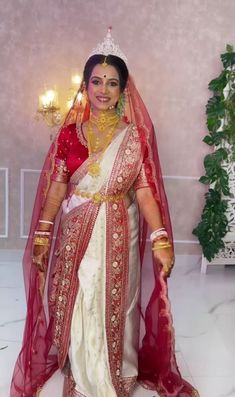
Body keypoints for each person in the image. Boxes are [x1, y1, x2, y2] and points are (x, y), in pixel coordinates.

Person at [11, 29, 199, 397]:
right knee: (81, 295)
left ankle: (117, 367)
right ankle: (81, 371)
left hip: (119, 228)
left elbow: (144, 191)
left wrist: (161, 239)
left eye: (112, 83)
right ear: (85, 85)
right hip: (76, 228)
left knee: (118, 299)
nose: (103, 89)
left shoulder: (136, 137)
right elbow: (57, 188)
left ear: (123, 90)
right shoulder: (69, 134)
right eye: (96, 81)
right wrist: (43, 235)